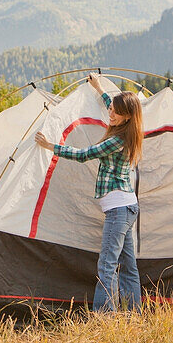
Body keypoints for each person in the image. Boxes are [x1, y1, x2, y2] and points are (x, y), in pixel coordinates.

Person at [35, 73, 144, 313]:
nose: (110, 113)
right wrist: (99, 88)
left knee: (107, 265)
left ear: (126, 116)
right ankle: (133, 314)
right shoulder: (128, 127)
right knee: (128, 266)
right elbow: (112, 105)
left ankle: (104, 317)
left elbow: (84, 155)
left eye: (115, 112)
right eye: (111, 109)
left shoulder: (117, 140)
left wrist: (51, 146)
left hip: (119, 210)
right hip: (126, 207)